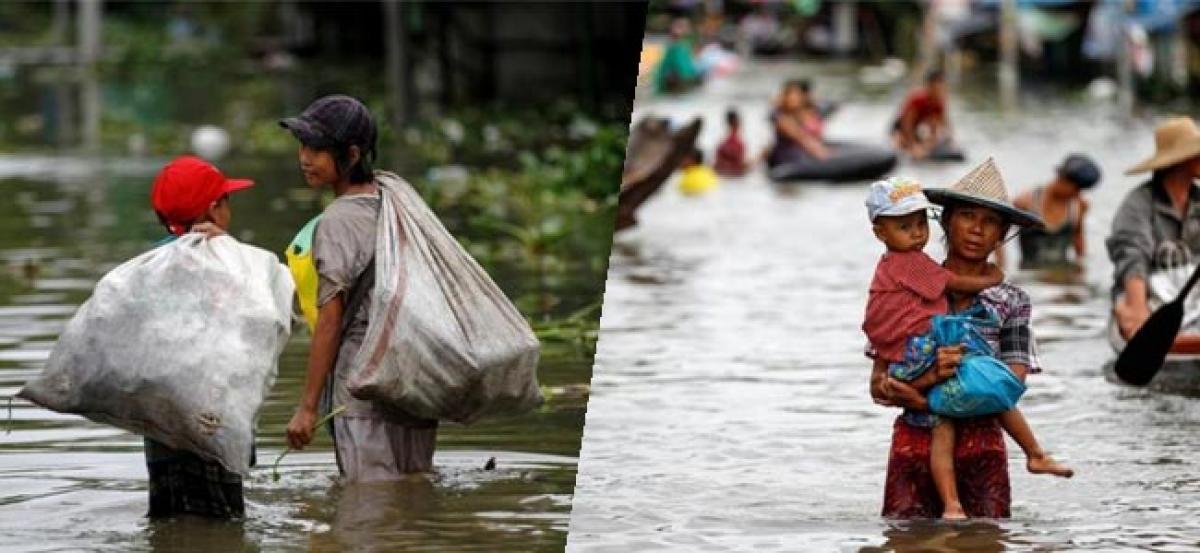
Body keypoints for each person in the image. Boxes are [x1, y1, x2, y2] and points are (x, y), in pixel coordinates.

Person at [864, 173, 1073, 519]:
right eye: (967, 216)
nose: (977, 229)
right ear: (945, 221)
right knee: (905, 541)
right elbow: (878, 387)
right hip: (915, 445)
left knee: (986, 537)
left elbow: (1013, 384)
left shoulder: (1012, 301)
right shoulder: (906, 287)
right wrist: (928, 378)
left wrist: (927, 396)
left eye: (990, 222)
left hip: (982, 447)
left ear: (1002, 235)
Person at [282, 94, 439, 481]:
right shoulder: (398, 205)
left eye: (317, 149)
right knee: (413, 492)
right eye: (302, 145)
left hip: (361, 387)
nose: (304, 157)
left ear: (351, 155)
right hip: (412, 383)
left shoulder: (336, 221)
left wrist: (307, 407)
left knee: (367, 507)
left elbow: (331, 321)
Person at [145, 155, 255, 519]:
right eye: (228, 200)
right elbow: (259, 316)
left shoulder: (149, 262)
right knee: (221, 524)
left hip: (160, 422)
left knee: (170, 517)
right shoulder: (224, 261)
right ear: (214, 209)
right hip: (212, 419)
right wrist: (232, 252)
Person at [1108, 116, 1200, 354]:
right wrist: (1138, 314)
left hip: (1191, 289)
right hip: (1149, 290)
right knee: (1133, 317)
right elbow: (1133, 259)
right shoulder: (1138, 204)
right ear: (1181, 161)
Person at [1003, 154, 1101, 270]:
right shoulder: (1025, 202)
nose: (1077, 194)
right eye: (1076, 189)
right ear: (1062, 178)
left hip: (1063, 275)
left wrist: (1081, 269)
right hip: (1030, 275)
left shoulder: (1079, 205)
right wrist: (1002, 267)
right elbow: (999, 237)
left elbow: (1078, 238)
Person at [891, 70, 953, 160]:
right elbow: (907, 125)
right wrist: (913, 146)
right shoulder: (918, 99)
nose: (942, 88)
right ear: (930, 85)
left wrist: (949, 141)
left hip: (916, 129)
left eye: (942, 84)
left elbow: (941, 123)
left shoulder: (939, 102)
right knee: (900, 146)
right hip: (900, 128)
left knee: (930, 144)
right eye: (938, 84)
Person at [768, 79, 830, 166]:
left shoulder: (800, 114)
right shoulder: (781, 117)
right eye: (792, 95)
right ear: (785, 97)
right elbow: (800, 137)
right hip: (786, 157)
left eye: (797, 95)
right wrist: (821, 152)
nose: (795, 98)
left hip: (801, 151)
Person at [654, 18, 704, 94]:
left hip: (683, 85)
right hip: (672, 86)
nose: (685, 29)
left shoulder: (686, 45)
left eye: (685, 27)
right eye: (681, 27)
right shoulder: (673, 47)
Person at [715, 109, 748, 176]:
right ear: (737, 122)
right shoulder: (737, 143)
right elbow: (740, 164)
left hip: (724, 175)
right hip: (735, 175)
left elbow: (717, 163)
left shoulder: (722, 143)